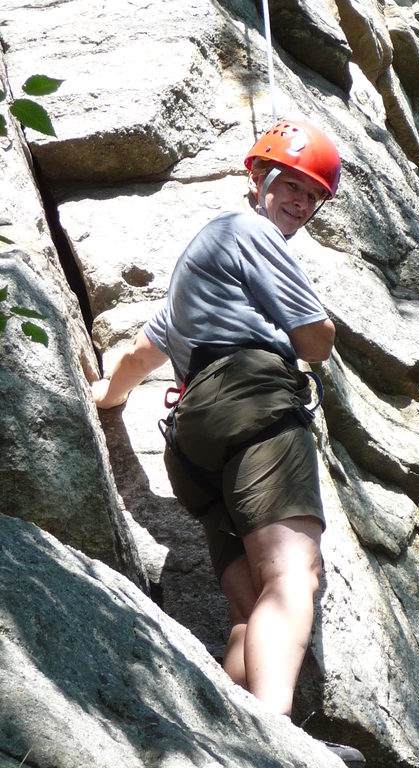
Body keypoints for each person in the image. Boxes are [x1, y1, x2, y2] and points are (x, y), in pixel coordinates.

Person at [92, 119, 365, 767]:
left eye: (311, 197)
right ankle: (272, 742)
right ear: (258, 178)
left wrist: (101, 401)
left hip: (194, 444)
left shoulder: (202, 261)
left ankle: (231, 744)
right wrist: (314, 329)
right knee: (294, 575)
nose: (298, 203)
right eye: (290, 186)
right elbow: (314, 339)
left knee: (251, 607)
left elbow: (138, 355)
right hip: (253, 399)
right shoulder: (250, 232)